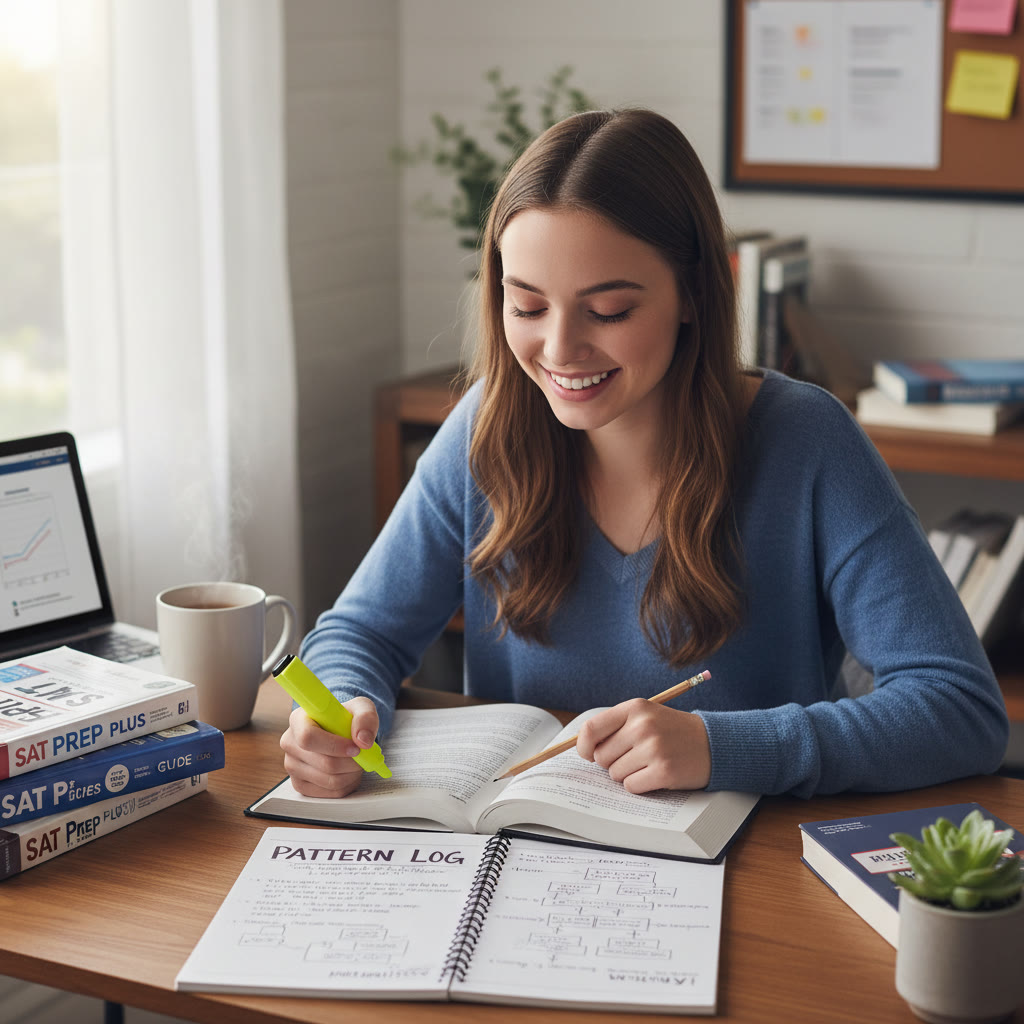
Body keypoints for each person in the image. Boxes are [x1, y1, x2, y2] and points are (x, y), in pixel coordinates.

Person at [281, 107, 1008, 802]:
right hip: (523, 854)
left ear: (694, 293)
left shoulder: (806, 439)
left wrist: (721, 748)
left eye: (609, 310)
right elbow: (360, 632)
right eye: (527, 306)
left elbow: (960, 710)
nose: (560, 349)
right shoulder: (486, 430)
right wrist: (343, 707)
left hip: (745, 875)